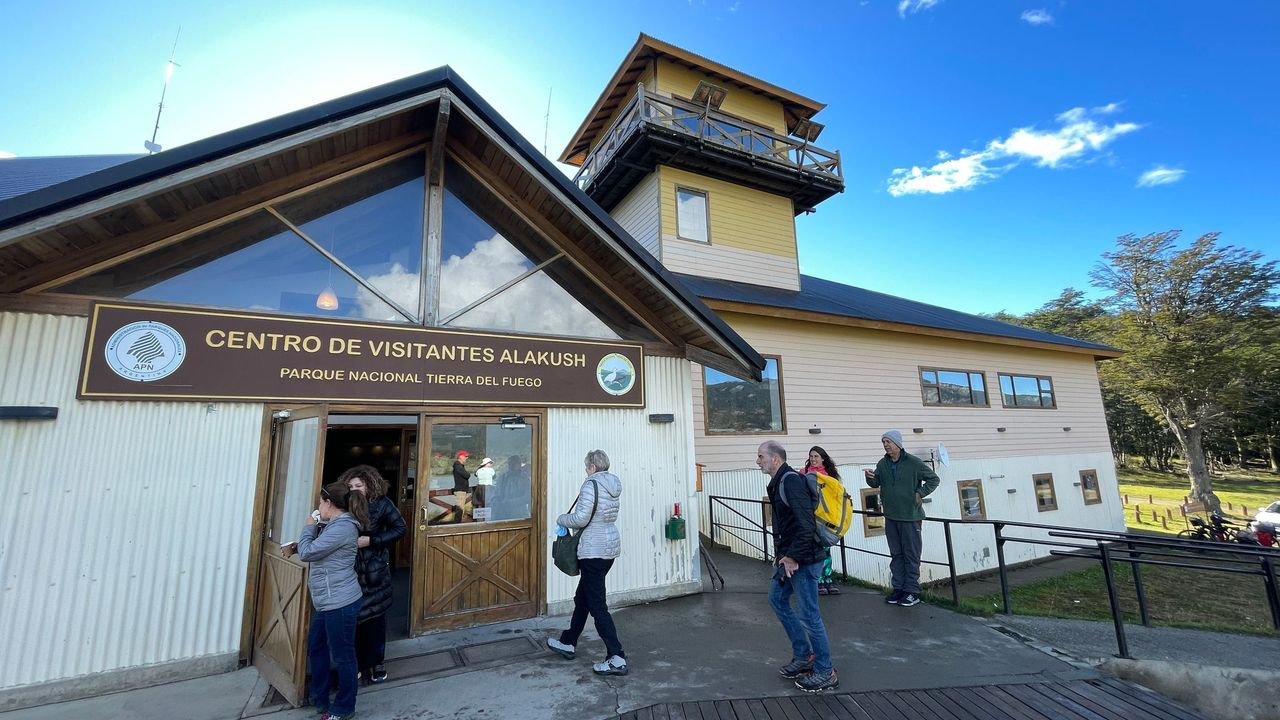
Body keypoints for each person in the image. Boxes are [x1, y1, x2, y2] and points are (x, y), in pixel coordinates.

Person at [758, 441, 838, 692]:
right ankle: (804, 656)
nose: (757, 461)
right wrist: (781, 555)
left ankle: (826, 671)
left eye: (761, 456)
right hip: (790, 557)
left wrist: (792, 557)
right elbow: (787, 525)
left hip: (805, 559)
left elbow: (806, 525)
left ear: (775, 459)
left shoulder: (790, 481)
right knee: (777, 599)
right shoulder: (779, 481)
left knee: (809, 615)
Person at [545, 449, 627, 676]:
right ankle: (568, 641)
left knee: (597, 605)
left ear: (592, 466)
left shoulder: (591, 484)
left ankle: (616, 657)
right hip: (608, 547)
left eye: (586, 466)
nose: (585, 470)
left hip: (593, 550)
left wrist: (561, 518)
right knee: (582, 599)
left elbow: (581, 519)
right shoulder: (613, 485)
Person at [294, 482, 369, 720]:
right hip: (328, 600)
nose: (317, 507)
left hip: (341, 601)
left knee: (343, 655)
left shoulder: (343, 528)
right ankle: (320, 695)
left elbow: (308, 553)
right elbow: (316, 549)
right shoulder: (334, 525)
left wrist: (308, 527)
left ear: (329, 504)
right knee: (316, 646)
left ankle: (344, 707)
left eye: (320, 502)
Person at [341, 465, 407, 685]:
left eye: (358, 485)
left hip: (375, 569)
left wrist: (372, 540)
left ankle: (377, 662)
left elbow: (400, 528)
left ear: (370, 484)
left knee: (376, 620)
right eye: (350, 486)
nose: (355, 490)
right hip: (349, 569)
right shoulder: (342, 505)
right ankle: (357, 664)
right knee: (354, 619)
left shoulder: (381, 504)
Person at [863, 430, 940, 607]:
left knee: (911, 555)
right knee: (896, 554)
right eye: (884, 442)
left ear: (898, 443)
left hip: (910, 517)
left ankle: (912, 591)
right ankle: (898, 588)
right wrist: (869, 478)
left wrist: (920, 493)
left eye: (888, 441)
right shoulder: (882, 463)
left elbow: (933, 479)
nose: (886, 445)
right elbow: (876, 483)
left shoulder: (913, 462)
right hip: (891, 516)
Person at [804, 447, 841, 596]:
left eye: (816, 456)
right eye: (811, 456)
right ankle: (818, 580)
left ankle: (827, 578)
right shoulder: (805, 473)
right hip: (812, 516)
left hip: (826, 518)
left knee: (826, 549)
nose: (813, 459)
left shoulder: (830, 475)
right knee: (817, 548)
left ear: (823, 458)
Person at [451, 450, 471, 521]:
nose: (467, 457)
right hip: (460, 490)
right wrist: (468, 474)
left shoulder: (459, 466)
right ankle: (457, 525)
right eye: (465, 456)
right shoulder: (458, 466)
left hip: (461, 490)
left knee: (460, 509)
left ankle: (458, 524)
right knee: (459, 509)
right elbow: (467, 475)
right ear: (460, 456)